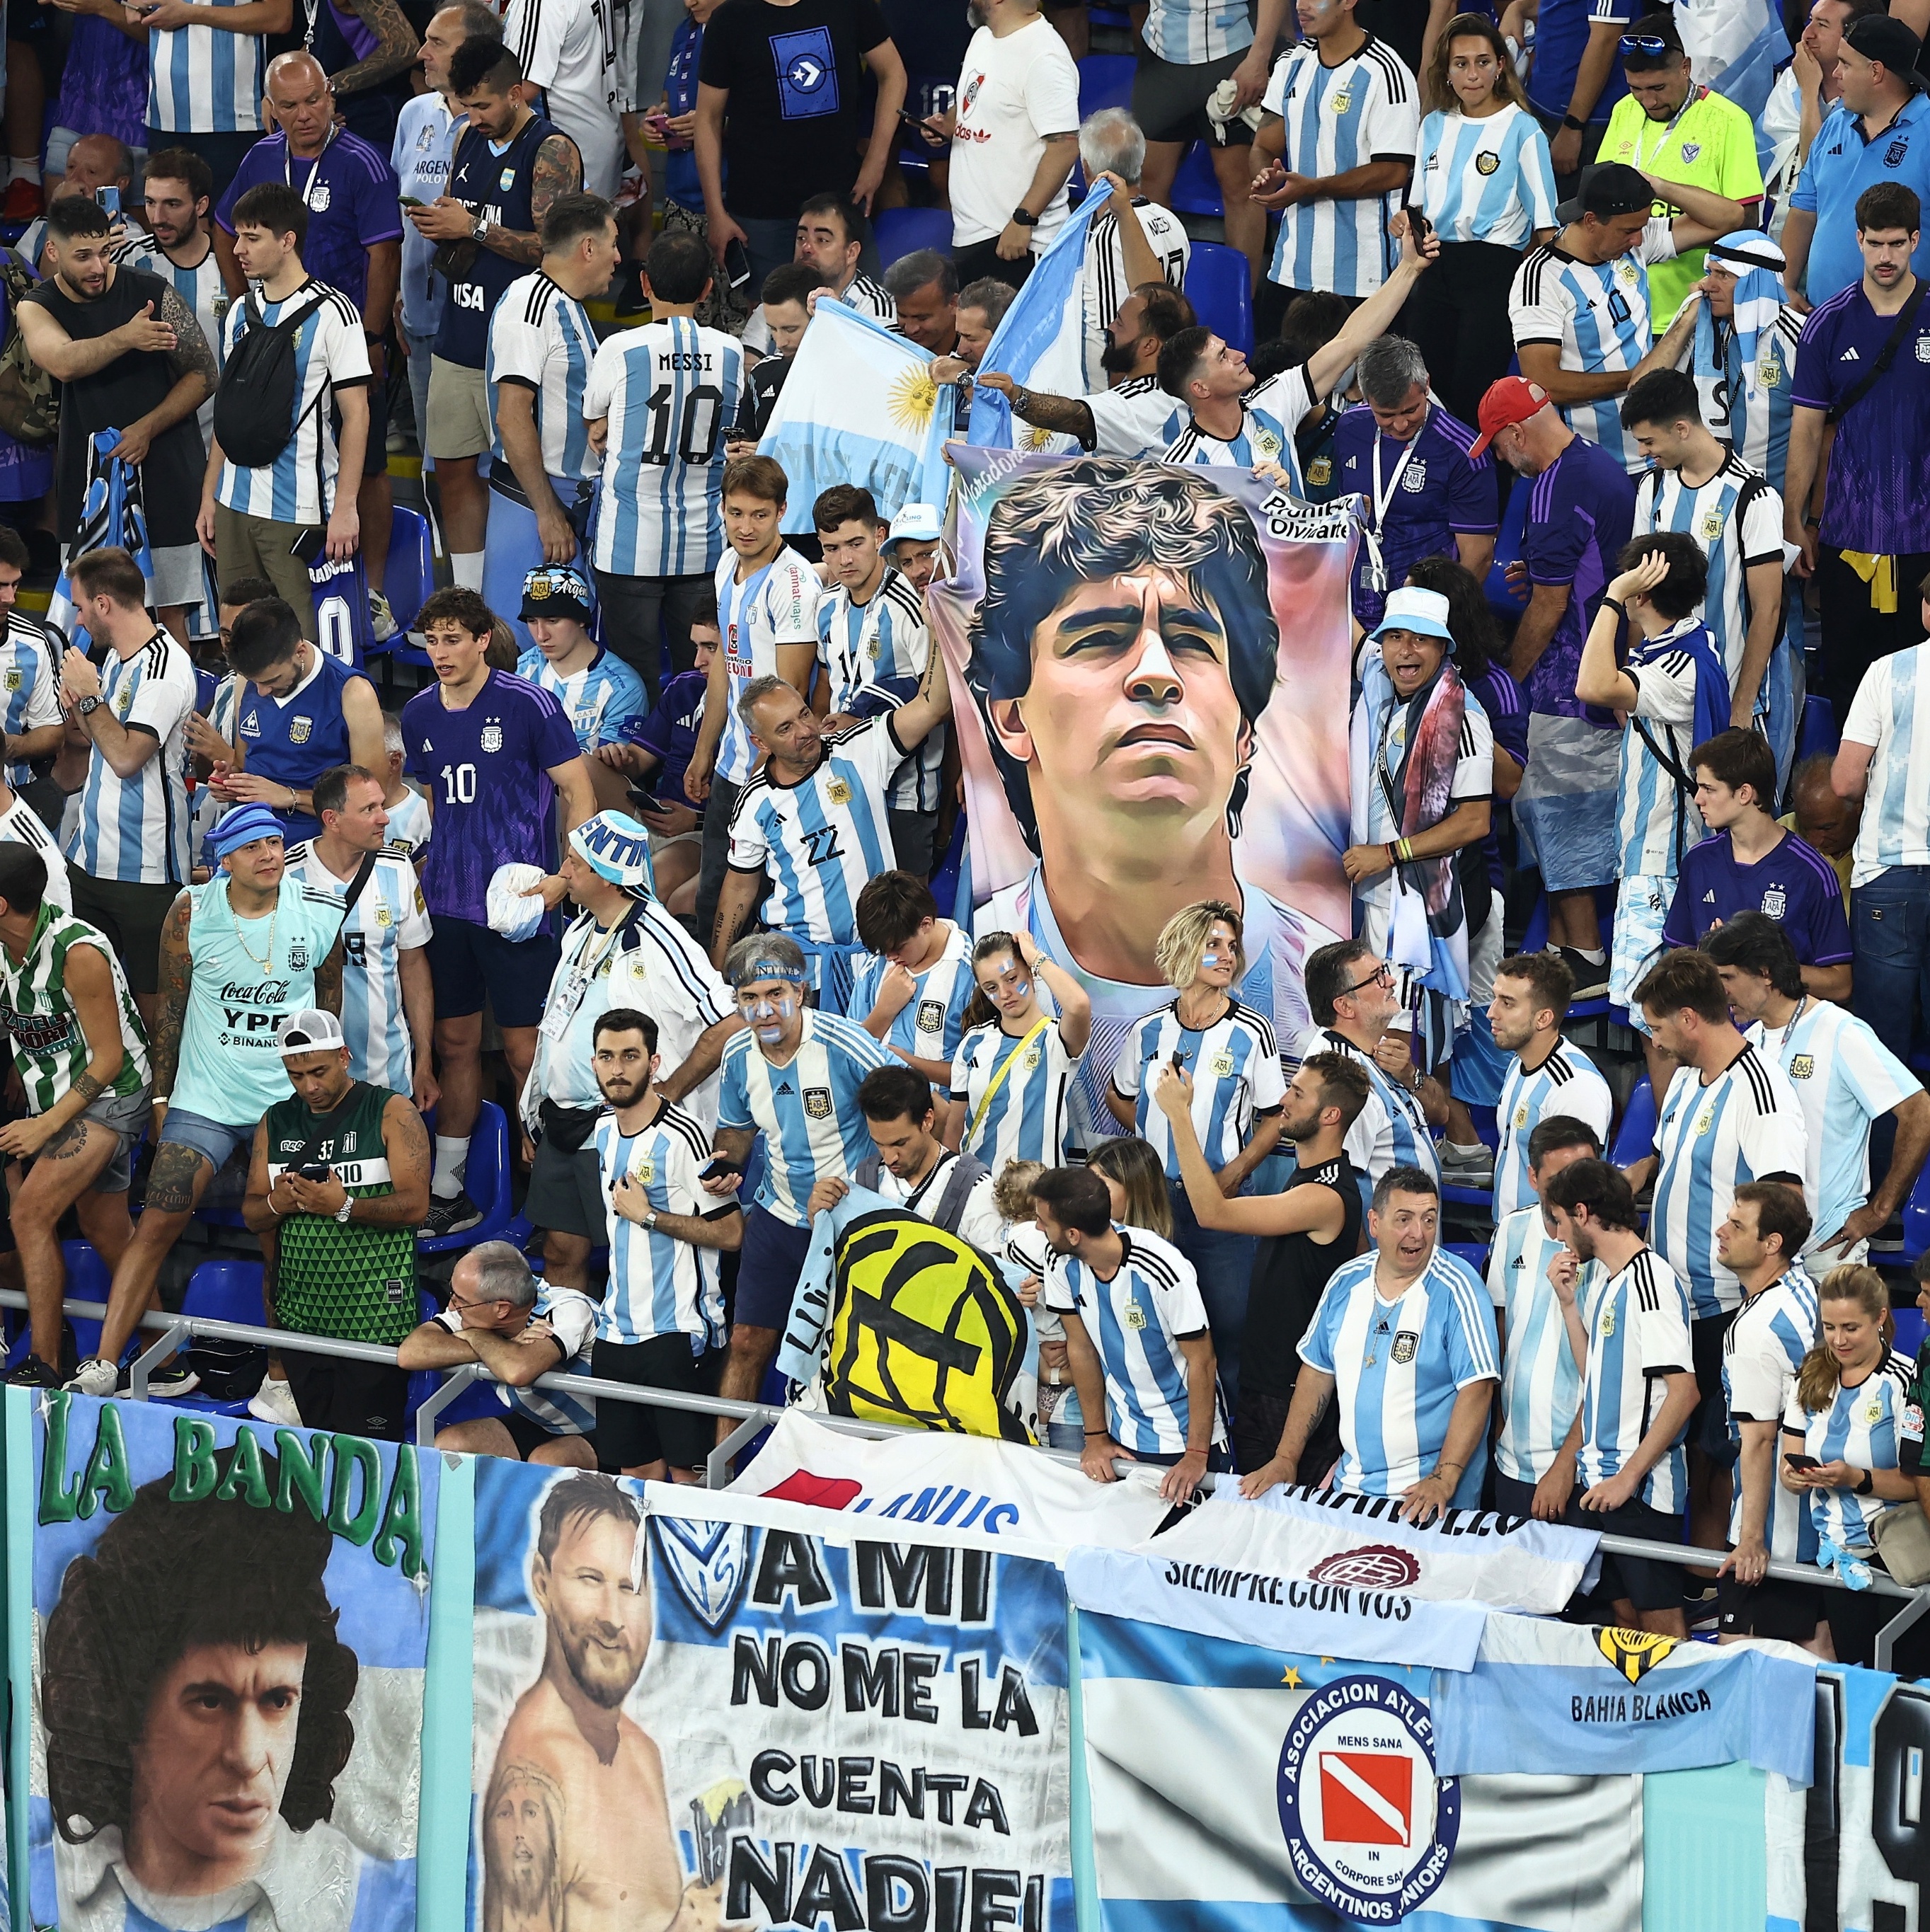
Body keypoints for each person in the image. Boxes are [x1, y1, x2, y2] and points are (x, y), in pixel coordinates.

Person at [965, 459, 1341, 1082]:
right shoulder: (970, 960)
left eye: (1192, 640)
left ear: (1245, 730)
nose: (1157, 674)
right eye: (1100, 637)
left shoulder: (1321, 978)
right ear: (1011, 718)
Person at [71, 803, 345, 1397]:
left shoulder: (320, 911)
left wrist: (324, 1103)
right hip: (206, 1097)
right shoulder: (191, 910)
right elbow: (169, 1007)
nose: (271, 855)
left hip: (286, 1104)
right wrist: (164, 1093)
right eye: (254, 848)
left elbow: (329, 1014)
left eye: (275, 843)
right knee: (158, 1217)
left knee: (284, 1238)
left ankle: (278, 1378)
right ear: (226, 859)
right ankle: (105, 1363)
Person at [43, 1459, 362, 1932]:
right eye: (210, 1702)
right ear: (126, 1704)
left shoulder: (354, 1894)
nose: (249, 1757)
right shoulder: (36, 1886)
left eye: (277, 1701)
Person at [401, 584, 596, 1234]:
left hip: (519, 908)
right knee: (456, 1045)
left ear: (483, 639)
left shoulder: (530, 705)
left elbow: (577, 790)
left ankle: (549, 1198)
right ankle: (451, 1191)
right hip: (450, 912)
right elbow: (438, 804)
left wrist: (569, 877)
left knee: (525, 1054)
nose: (441, 652)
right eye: (431, 640)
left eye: (453, 639)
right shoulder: (420, 714)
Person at [1626, 945, 1806, 1548]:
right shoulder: (1682, 1083)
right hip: (1674, 1306)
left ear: (1687, 1019)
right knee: (1680, 1446)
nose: (1652, 1039)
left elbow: (1783, 1204)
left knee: (1717, 1453)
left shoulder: (1763, 1092)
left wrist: (1751, 1302)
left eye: (1655, 1026)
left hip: (1727, 1308)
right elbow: (1668, 1156)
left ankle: (1713, 1585)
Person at [523, 812, 737, 1299]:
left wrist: (667, 1093)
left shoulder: (662, 939)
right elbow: (557, 1025)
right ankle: (571, 1346)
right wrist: (533, 1104)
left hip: (624, 1129)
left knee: (641, 1260)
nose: (565, 871)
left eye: (575, 863)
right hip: (564, 1122)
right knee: (560, 1251)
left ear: (607, 875)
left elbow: (729, 1022)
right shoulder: (581, 931)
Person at [214, 54, 403, 602]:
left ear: (332, 99)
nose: (305, 115)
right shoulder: (259, 158)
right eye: (291, 105)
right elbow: (227, 230)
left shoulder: (362, 163)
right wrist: (241, 303)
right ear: (271, 110)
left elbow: (384, 256)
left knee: (364, 463)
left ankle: (373, 593)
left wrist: (370, 338)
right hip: (274, 337)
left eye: (315, 100)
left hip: (342, 333)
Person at [1472, 376, 1636, 991]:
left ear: (1518, 433)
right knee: (1573, 815)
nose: (1497, 456)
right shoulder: (1600, 464)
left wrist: (1509, 682)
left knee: (1553, 812)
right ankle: (1571, 945)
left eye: (1497, 443)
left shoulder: (1550, 489)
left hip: (1569, 685)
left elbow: (1547, 605)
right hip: (1601, 670)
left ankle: (1586, 953)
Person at [486, 1476, 706, 1932]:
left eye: (630, 1588)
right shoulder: (531, 1779)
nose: (612, 1616)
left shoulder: (641, 1749)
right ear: (542, 1584)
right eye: (590, 1579)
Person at [406, 38, 580, 601]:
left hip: (519, 348)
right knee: (451, 471)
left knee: (521, 482)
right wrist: (442, 227)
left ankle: (527, 600)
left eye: (482, 106)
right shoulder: (463, 137)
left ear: (516, 91)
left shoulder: (551, 149)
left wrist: (473, 230)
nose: (472, 118)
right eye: (464, 106)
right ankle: (470, 598)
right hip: (458, 332)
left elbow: (556, 250)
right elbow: (463, 216)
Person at [1242, 1164, 1497, 1517]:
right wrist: (1286, 1458)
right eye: (1404, 1219)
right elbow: (1316, 1373)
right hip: (1351, 1491)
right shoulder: (1346, 1281)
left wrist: (1443, 1478)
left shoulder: (1459, 1287)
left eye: (1428, 1219)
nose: (1418, 1234)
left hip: (1426, 1499)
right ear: (1374, 1223)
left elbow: (1478, 1388)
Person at [1157, 1049, 1365, 1476]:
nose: (1284, 1101)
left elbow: (1212, 1213)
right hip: (1268, 1385)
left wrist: (1180, 1115)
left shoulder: (1324, 1196)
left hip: (1289, 1396)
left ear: (1329, 1115)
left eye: (1298, 1093)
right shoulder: (1310, 1177)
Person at [708, 931, 892, 1409]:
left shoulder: (846, 1044)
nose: (764, 1010)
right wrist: (723, 1165)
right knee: (746, 1342)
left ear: (801, 993)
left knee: (852, 1354)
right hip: (776, 1217)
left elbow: (915, 1109)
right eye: (749, 998)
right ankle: (721, 1476)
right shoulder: (736, 1056)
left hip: (848, 1222)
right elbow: (735, 1131)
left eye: (775, 995)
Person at [1107, 900, 1285, 1393]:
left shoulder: (1252, 1032)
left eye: (1232, 946)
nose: (1227, 955)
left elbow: (1275, 1119)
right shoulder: (1148, 1031)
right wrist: (1153, 1138)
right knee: (1154, 1324)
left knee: (1228, 1329)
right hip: (1150, 1203)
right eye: (1213, 945)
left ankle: (1228, 1452)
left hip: (1221, 1205)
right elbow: (1120, 1096)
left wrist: (1233, 1171)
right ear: (1185, 950)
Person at [19, 195, 214, 640]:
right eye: (83, 256)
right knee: (88, 611)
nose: (97, 267)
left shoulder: (150, 290)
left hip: (164, 466)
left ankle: (172, 709)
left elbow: (204, 374)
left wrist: (148, 427)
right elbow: (64, 361)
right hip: (88, 479)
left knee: (167, 613)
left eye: (105, 252)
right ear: (53, 252)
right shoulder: (37, 305)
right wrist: (127, 337)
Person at [711, 655, 953, 1001]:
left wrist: (934, 626)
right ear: (761, 744)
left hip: (881, 954)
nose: (805, 731)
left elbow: (933, 705)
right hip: (802, 966)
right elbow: (738, 889)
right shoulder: (755, 802)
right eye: (785, 728)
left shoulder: (861, 748)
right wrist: (717, 977)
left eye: (804, 714)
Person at [0, 844, 151, 1388]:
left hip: (113, 1094)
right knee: (105, 1228)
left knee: (30, 1215)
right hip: (58, 1096)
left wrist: (44, 1125)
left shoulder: (77, 950)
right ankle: (170, 1359)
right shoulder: (4, 947)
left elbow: (109, 1059)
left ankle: (43, 1362)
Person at [238, 1007, 428, 1437]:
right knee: (317, 1446)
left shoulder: (391, 1110)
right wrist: (277, 1201)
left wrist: (344, 1206)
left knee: (369, 1450)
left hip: (375, 1315)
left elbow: (416, 1206)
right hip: (302, 1314)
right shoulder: (276, 1119)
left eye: (319, 1072)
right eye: (296, 1076)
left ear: (344, 1056)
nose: (310, 1087)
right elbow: (251, 1215)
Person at [1704, 912, 1930, 1269]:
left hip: (1829, 1255)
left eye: (1728, 977)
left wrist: (1880, 1210)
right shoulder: (1748, 1041)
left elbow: (1920, 1110)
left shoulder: (1841, 1031)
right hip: (1766, 1258)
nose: (1722, 991)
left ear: (1765, 973)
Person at [1574, 532, 1730, 1050]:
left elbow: (1591, 687)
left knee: (1657, 1023)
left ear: (1642, 593)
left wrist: (1612, 596)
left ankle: (1668, 1130)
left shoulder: (1675, 666)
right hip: (1662, 859)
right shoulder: (1692, 643)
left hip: (1660, 865)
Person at [1159, 211, 1437, 488]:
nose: (1239, 355)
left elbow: (1350, 341)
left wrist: (1409, 268)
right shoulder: (1182, 466)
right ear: (1200, 388)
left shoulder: (1273, 400)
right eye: (1222, 357)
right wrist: (1259, 499)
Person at [199, 185, 373, 625]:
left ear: (288, 240)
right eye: (237, 236)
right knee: (237, 634)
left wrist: (347, 507)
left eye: (252, 238)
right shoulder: (240, 310)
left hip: (300, 511)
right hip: (234, 503)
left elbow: (356, 415)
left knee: (302, 644)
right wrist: (210, 495)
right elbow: (231, 409)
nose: (238, 249)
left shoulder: (335, 313)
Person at [1541, 1156, 1701, 1636]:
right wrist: (1569, 1307)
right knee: (1625, 1616)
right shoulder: (1609, 1283)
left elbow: (1684, 1392)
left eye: (1560, 1220)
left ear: (1583, 1212)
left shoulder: (1650, 1281)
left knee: (1660, 1624)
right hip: (1600, 1483)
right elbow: (1598, 1374)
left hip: (1639, 1489)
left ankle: (1679, 1712)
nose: (1558, 1235)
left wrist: (1628, 1478)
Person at [1786, 184, 1930, 714]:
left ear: (1915, 240)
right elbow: (1804, 431)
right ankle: (1851, 798)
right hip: (1848, 541)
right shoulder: (1827, 323)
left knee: (1921, 699)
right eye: (1874, 244)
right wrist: (1792, 519)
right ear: (1857, 240)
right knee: (1850, 689)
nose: (1885, 256)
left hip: (1923, 541)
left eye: (1896, 243)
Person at [1509, 161, 1745, 481]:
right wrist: (1638, 379)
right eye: (1628, 230)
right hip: (1592, 466)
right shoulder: (1541, 278)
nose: (1637, 239)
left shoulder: (1636, 242)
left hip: (1656, 457)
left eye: (1641, 227)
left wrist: (1655, 185)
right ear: (1591, 220)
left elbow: (1730, 217)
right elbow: (1545, 382)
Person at [585, 226, 745, 691]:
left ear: (644, 284)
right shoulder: (732, 352)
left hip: (628, 546)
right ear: (708, 289)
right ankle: (690, 762)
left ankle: (635, 765)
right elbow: (736, 428)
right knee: (697, 677)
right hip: (704, 545)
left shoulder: (620, 348)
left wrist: (605, 422)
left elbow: (592, 415)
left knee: (631, 683)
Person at [1343, 583, 1494, 1069]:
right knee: (1375, 1029)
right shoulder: (1382, 681)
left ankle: (1432, 1141)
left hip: (1421, 907)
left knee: (1404, 1043)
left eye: (1420, 640)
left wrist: (1387, 855)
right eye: (1394, 638)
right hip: (1375, 897)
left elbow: (1474, 821)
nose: (1404, 651)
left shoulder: (1462, 718)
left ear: (1443, 648)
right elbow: (1336, 624)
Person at [586, 1008, 740, 1480]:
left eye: (629, 1056)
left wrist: (649, 1216)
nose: (617, 1069)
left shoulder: (685, 1135)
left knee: (689, 1478)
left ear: (653, 1064)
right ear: (593, 1064)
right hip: (615, 1333)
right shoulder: (602, 1132)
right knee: (634, 1477)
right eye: (606, 1057)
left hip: (678, 1334)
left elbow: (731, 1233)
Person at [57, 546, 199, 1028]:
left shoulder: (164, 667)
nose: (77, 620)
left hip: (146, 874)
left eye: (79, 607)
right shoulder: (118, 661)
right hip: (90, 860)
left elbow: (125, 757)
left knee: (150, 1009)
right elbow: (96, 738)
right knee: (89, 996)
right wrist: (78, 704)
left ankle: (155, 1104)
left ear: (103, 604)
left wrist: (91, 695)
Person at [687, 454, 822, 943]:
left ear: (782, 512)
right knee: (711, 901)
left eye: (759, 515)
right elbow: (725, 663)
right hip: (731, 767)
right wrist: (705, 752)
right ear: (721, 509)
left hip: (770, 776)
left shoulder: (794, 583)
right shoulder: (727, 564)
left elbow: (791, 697)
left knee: (763, 910)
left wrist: (768, 776)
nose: (746, 527)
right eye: (736, 513)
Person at [1034, 1161, 1226, 1502]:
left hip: (1187, 1442)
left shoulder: (1163, 1267)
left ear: (1073, 1234)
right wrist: (1095, 1437)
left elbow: (1203, 1361)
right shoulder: (1058, 1261)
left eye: (1043, 1222)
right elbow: (1081, 1348)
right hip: (1123, 1440)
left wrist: (1197, 1454)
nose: (1036, 1228)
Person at [1623, 369, 1792, 754]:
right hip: (1659, 692)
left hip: (1723, 692)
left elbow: (1768, 608)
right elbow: (1637, 588)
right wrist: (1631, 672)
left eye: (1648, 441)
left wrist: (1742, 704)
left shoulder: (1753, 496)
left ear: (1682, 428)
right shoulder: (1652, 488)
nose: (1642, 453)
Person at [1406, 13, 1558, 429]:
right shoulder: (1433, 125)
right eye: (1461, 64)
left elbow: (1547, 228)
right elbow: (1416, 207)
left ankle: (1478, 488)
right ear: (1447, 70)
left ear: (1500, 67)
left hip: (1492, 274)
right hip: (1434, 270)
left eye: (1482, 62)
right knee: (1424, 391)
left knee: (1474, 397)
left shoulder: (1524, 130)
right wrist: (1404, 225)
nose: (1472, 74)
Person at [486, 193, 621, 657]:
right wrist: (546, 512)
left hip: (564, 502)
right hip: (534, 504)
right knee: (523, 652)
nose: (617, 258)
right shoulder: (530, 305)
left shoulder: (569, 306)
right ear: (587, 247)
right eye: (612, 245)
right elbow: (511, 414)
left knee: (564, 657)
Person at [694, 0, 907, 287]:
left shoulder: (850, 5)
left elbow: (893, 73)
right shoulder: (730, 18)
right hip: (761, 209)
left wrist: (876, 160)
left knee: (859, 314)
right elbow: (707, 118)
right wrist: (715, 212)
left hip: (841, 198)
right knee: (772, 321)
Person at [1248, 0, 1419, 343]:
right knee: (1275, 388)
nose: (1302, 5)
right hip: (1290, 268)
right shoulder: (1290, 63)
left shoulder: (1387, 72)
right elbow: (1264, 146)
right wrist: (1266, 178)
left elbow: (1394, 171)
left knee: (1357, 394)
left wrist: (1313, 187)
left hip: (1363, 277)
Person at [1782, 1264, 1924, 1667]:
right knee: (1856, 1674)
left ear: (1879, 1318)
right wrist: (1795, 1477)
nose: (1838, 1340)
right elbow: (1787, 1467)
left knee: (1903, 1679)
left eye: (1850, 1328)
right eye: (1829, 1327)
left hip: (1896, 1558)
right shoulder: (1808, 1378)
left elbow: (1919, 1484)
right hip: (1838, 1556)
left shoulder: (1905, 1382)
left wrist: (1856, 1479)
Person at [1711, 1180, 1825, 1646]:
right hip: (1817, 1531)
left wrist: (1751, 1539)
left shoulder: (1756, 1330)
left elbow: (1757, 1440)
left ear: (1771, 1244)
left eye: (1737, 1226)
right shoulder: (1806, 1289)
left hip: (1776, 1538)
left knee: (1740, 1663)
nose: (1721, 1230)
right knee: (1819, 1659)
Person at [1595, 11, 1763, 327]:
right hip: (1622, 310)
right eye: (1636, 88)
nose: (1648, 100)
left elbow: (1747, 220)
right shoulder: (1623, 111)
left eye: (1658, 87)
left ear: (1685, 68)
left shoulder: (1728, 120)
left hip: (1691, 308)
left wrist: (1663, 235)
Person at [285, 761, 437, 1108]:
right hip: (308, 1084)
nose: (384, 818)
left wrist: (424, 1061)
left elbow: (413, 968)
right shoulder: (288, 878)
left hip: (388, 1075)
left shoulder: (398, 871)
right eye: (369, 809)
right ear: (332, 820)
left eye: (382, 806)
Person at [811, 484, 943, 877]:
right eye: (832, 548)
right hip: (847, 787)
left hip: (905, 795)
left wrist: (862, 717)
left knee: (905, 918)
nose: (845, 559)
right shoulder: (825, 607)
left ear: (879, 537)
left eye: (855, 543)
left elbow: (939, 702)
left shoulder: (913, 604)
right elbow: (824, 690)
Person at [393, 5, 497, 491]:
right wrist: (400, 293)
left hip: (486, 329)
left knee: (489, 471)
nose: (421, 53)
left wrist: (468, 227)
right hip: (420, 319)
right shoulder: (414, 114)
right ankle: (451, 563)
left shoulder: (515, 127)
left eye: (437, 42)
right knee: (437, 470)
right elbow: (401, 214)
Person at [1665, 731, 1853, 996]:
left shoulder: (1811, 873)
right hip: (1714, 1027)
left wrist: (1762, 968)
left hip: (1782, 1032)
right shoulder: (1698, 862)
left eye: (1709, 788)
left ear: (1744, 794)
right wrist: (1711, 958)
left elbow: (1841, 984)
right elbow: (1678, 957)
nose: (1698, 798)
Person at [1333, 337, 1497, 631]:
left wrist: (1439, 624)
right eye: (1385, 415)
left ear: (1427, 386)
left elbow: (1479, 557)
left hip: (1425, 617)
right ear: (1365, 398)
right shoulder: (1348, 428)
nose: (1400, 425)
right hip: (1353, 613)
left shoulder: (1464, 451)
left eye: (1410, 411)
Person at [1486, 1115, 1604, 1519]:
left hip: (1581, 1468)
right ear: (1533, 1178)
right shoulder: (1511, 1231)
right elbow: (1502, 1338)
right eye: (1560, 1179)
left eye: (1583, 1175)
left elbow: (1612, 1379)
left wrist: (1566, 1464)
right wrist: (1499, 1426)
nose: (1574, 1193)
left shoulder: (1612, 1253)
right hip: (1512, 1461)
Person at [1832, 594, 1930, 1066]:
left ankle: (1892, 1141)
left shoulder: (1887, 672)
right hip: (1890, 875)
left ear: (1926, 611)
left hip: (1889, 873)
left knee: (1881, 1050)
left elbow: (1844, 780)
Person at [398, 1237, 599, 1465]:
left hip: (612, 1427)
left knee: (548, 1460)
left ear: (502, 1309)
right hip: (545, 1424)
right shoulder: (476, 1308)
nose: (452, 1306)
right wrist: (504, 1345)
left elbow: (517, 1371)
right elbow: (411, 1353)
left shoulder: (568, 1308)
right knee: (451, 1445)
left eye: (460, 1300)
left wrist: (478, 1337)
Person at [1129, 0, 1283, 284]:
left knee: (1241, 187)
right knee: (1148, 181)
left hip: (1232, 51)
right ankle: (1156, 302)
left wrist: (1259, 58)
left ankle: (1240, 311)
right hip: (1160, 52)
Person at [927, 0, 1078, 290]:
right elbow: (970, 101)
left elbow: (1066, 146)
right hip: (972, 233)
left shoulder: (1044, 56)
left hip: (1016, 240)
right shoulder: (983, 37)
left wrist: (1024, 219)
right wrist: (946, 126)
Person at [212, 594, 385, 847]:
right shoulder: (248, 681)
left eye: (272, 681)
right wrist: (232, 781)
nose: (261, 692)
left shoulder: (353, 693)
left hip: (314, 845)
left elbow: (370, 805)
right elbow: (242, 762)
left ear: (300, 651)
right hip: (249, 837)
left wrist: (290, 797)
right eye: (255, 682)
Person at [1648, 231, 1805, 504]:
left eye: (1723, 275)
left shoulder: (1799, 338)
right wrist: (1689, 318)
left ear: (1754, 282)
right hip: (1710, 500)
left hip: (1777, 504)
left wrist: (1804, 519)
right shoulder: (1707, 328)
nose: (1707, 285)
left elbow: (1823, 434)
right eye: (1709, 272)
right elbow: (1643, 389)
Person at [1784, 15, 1930, 307]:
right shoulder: (1836, 123)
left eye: (1846, 64)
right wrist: (1785, 284)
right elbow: (1804, 210)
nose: (1836, 73)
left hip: (1909, 326)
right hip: (1825, 318)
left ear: (1876, 71)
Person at [972, 280, 1194, 458]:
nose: (1111, 328)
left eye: (1120, 323)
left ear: (1149, 346)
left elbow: (1074, 415)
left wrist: (1015, 395)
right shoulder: (1180, 382)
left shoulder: (1139, 405)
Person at [1297, 937, 1444, 1197]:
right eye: (1376, 977)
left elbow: (1441, 1114)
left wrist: (1411, 1076)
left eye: (1384, 972)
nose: (1391, 981)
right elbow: (1338, 1191)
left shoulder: (1381, 1046)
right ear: (1344, 1006)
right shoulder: (1336, 1076)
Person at [595, 594, 717, 909]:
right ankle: (572, 879)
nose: (698, 661)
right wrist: (619, 758)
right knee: (580, 768)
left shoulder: (756, 706)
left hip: (701, 832)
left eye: (711, 648)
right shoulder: (684, 688)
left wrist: (698, 819)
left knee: (652, 881)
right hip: (653, 813)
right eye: (696, 647)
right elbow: (638, 762)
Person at [809, 1062, 1003, 1250]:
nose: (889, 1157)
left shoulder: (976, 1192)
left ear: (927, 1121)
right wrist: (817, 1215)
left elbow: (996, 1277)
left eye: (900, 1143)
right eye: (879, 1144)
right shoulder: (862, 1181)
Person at [947, 928, 1091, 1171]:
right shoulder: (973, 1043)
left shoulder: (1055, 1039)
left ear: (1030, 973)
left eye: (1011, 978)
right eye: (991, 987)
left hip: (1040, 1195)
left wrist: (1035, 957)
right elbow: (954, 1126)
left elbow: (1078, 1005)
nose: (1004, 994)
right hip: (979, 1192)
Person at [111, 148, 228, 445]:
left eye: (172, 204)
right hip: (150, 433)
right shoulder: (126, 259)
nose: (158, 217)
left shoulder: (235, 265)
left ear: (201, 206)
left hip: (222, 433)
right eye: (150, 203)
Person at [1489, 952, 1613, 1220]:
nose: (1491, 1013)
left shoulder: (1575, 1087)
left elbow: (1578, 1196)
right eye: (1495, 998)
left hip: (1547, 1248)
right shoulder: (1517, 1063)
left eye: (1507, 1003)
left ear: (1543, 1018)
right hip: (1509, 1241)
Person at [1073, 108, 1190, 390]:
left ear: (1086, 167)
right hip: (1160, 377)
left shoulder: (1109, 234)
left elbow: (1120, 334)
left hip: (1112, 395)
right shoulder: (1170, 220)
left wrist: (1117, 403)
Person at [138, 0, 294, 202]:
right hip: (165, 116)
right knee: (167, 224)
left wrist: (190, 14)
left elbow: (279, 16)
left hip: (233, 120)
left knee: (235, 225)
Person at [845, 869, 973, 1093]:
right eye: (883, 950)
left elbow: (982, 1072)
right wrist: (884, 1010)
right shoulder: (875, 965)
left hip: (943, 1118)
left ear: (925, 925)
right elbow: (847, 1057)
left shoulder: (970, 974)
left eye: (897, 947)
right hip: (880, 1117)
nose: (890, 957)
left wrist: (906, 1064)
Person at [737, 190, 897, 361]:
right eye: (801, 238)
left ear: (851, 252)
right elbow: (748, 366)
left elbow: (877, 372)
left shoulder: (873, 304)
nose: (806, 248)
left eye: (822, 240)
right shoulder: (780, 292)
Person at [514, 565, 648, 764]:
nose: (541, 635)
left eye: (553, 620)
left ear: (581, 620)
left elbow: (607, 775)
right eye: (532, 621)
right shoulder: (518, 671)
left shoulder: (624, 688)